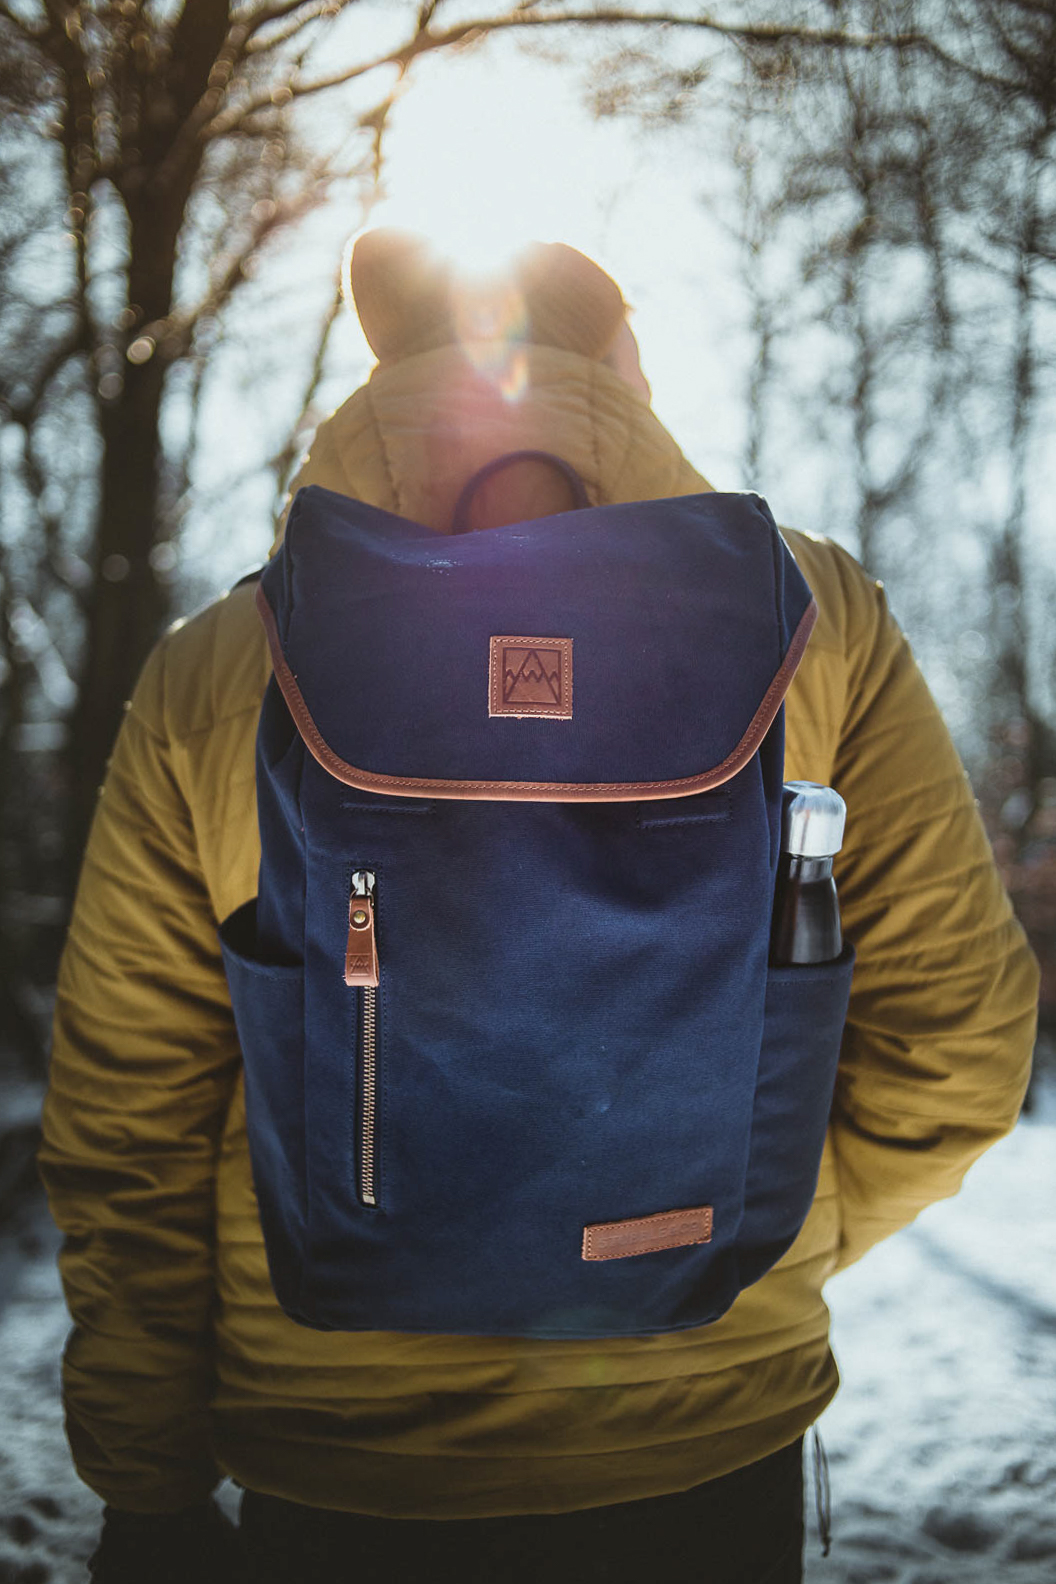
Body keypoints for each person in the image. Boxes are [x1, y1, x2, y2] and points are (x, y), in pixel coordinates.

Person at [39, 230, 1038, 1584]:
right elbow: (960, 1045)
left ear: (387, 370)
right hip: (701, 1426)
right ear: (623, 365)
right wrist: (744, 1225)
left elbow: (130, 1127)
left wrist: (146, 1485)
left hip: (340, 1441)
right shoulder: (819, 624)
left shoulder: (221, 667)